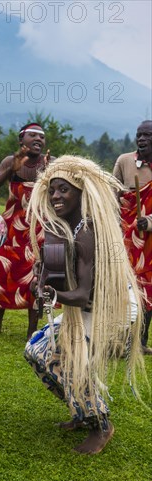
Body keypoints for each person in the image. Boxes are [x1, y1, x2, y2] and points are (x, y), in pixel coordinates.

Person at [24, 155, 145, 455]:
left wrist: (50, 295)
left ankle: (101, 425)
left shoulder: (88, 232)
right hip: (85, 304)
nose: (56, 196)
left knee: (71, 362)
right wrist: (40, 281)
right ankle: (82, 411)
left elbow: (81, 295)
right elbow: (55, 271)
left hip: (111, 308)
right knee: (36, 351)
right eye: (52, 191)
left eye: (64, 190)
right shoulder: (64, 226)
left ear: (80, 192)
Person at [0, 123, 54, 339]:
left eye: (41, 137)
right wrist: (9, 170)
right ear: (22, 140)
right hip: (11, 228)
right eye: (33, 135)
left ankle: (32, 329)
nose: (38, 139)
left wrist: (50, 174)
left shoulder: (51, 163)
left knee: (36, 275)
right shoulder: (10, 161)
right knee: (3, 272)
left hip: (38, 228)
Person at [113, 120, 152, 354]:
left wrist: (149, 222)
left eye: (147, 135)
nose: (142, 139)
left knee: (149, 289)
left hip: (149, 241)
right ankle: (120, 339)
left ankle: (141, 341)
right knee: (125, 284)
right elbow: (111, 192)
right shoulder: (124, 161)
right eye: (139, 135)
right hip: (127, 237)